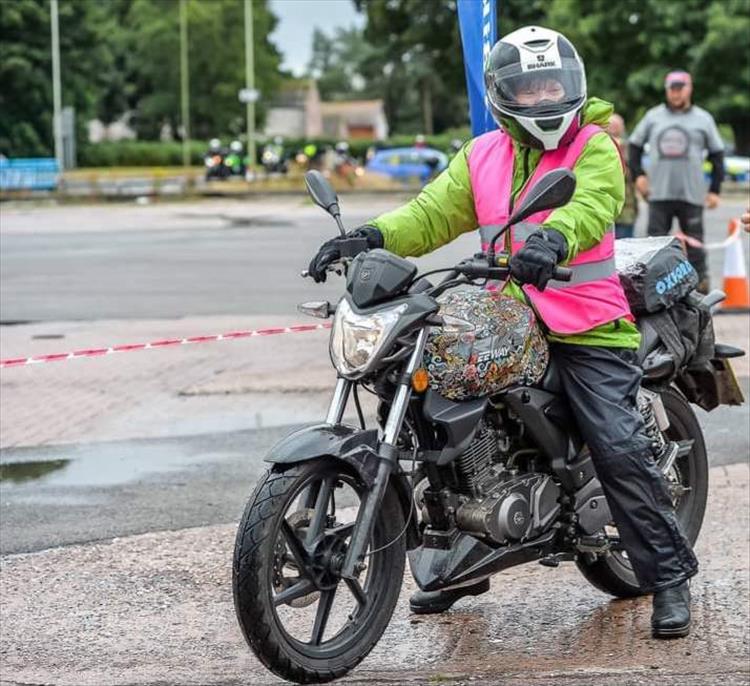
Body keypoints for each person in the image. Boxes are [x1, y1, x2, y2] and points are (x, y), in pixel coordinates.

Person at [307, 26, 698, 639]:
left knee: (618, 446)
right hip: (508, 315)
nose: (543, 96)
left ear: (573, 86)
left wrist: (552, 238)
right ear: (502, 93)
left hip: (587, 325)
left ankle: (668, 576)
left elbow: (592, 203)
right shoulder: (482, 154)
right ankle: (460, 562)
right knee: (437, 403)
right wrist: (371, 237)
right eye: (529, 85)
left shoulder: (594, 145)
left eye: (553, 84)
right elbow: (431, 214)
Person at [628, 70, 725, 292]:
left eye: (681, 88)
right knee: (653, 247)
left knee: (696, 247)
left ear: (689, 89)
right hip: (659, 193)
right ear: (667, 90)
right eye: (672, 88)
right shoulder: (653, 117)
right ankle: (651, 290)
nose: (676, 93)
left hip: (691, 194)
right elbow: (634, 147)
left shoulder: (703, 119)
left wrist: (714, 190)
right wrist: (639, 176)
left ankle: (701, 291)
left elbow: (717, 154)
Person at [607, 113, 638, 239]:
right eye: (612, 126)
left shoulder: (629, 149)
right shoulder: (599, 149)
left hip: (627, 212)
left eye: (617, 126)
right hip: (608, 212)